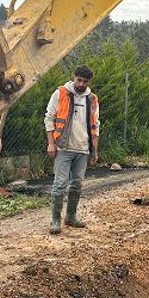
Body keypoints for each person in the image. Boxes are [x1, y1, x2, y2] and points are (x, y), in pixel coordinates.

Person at [44, 65, 100, 235]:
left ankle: (71, 216)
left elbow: (95, 125)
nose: (81, 84)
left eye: (85, 81)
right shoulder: (61, 93)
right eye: (79, 80)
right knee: (60, 184)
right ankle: (55, 220)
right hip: (63, 147)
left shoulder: (92, 99)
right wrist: (51, 144)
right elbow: (49, 118)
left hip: (83, 149)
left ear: (89, 82)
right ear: (73, 77)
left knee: (77, 184)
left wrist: (94, 150)